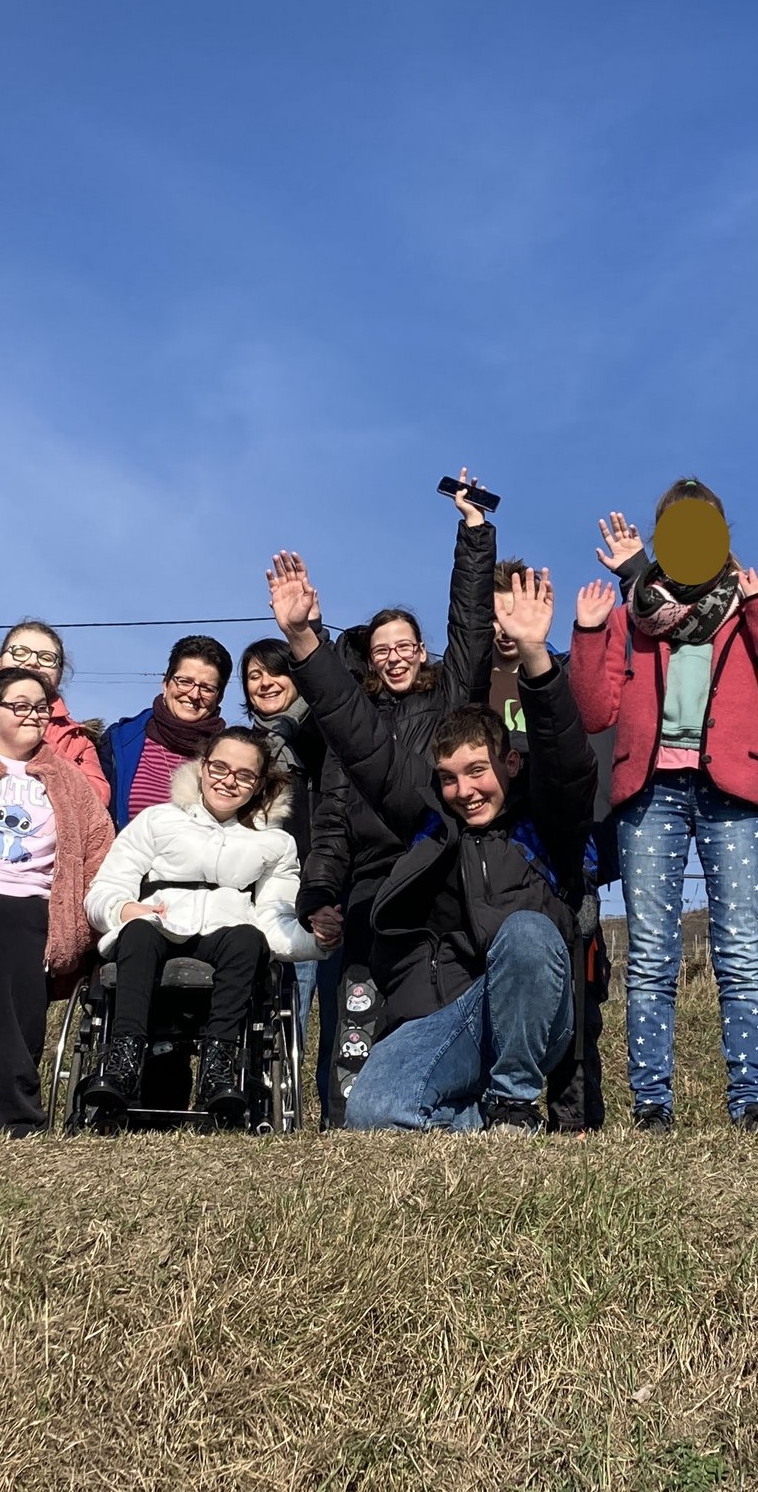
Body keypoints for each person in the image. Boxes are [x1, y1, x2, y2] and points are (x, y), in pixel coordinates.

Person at [270, 555, 596, 1132]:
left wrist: (535, 656)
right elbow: (361, 740)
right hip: (457, 1016)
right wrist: (302, 641)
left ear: (510, 765)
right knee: (371, 1111)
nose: (464, 791)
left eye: (478, 771)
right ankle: (481, 1120)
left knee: (525, 931)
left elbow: (567, 758)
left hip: (535, 1007)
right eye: (448, 777)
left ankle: (514, 1104)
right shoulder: (434, 824)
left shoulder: (547, 823)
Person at [571, 479, 758, 1133]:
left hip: (734, 789)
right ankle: (651, 1105)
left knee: (741, 948)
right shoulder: (630, 613)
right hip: (649, 791)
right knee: (651, 952)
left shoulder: (749, 601)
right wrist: (589, 633)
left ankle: (751, 1102)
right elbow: (595, 711)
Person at [291, 478, 496, 1124]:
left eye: (405, 645)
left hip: (435, 871)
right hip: (368, 882)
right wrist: (319, 892)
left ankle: (442, 1111)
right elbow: (331, 817)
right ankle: (344, 1123)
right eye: (382, 650)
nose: (395, 657)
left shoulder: (450, 700)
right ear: (372, 662)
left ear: (422, 651)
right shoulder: (355, 726)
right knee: (355, 1011)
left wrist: (473, 535)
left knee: (431, 1004)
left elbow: (471, 626)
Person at [81, 726, 325, 1126]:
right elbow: (106, 887)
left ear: (259, 784)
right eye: (219, 768)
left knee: (249, 938)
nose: (228, 781)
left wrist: (318, 940)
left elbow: (273, 917)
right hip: (158, 923)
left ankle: (219, 1067)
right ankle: (123, 1061)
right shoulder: (157, 820)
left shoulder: (275, 843)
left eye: (244, 775)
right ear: (201, 767)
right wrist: (122, 909)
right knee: (139, 931)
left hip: (226, 934)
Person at [0, 667, 114, 1137]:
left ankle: (16, 1118)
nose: (33, 715)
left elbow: (98, 845)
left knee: (20, 1016)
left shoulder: (68, 780)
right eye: (21, 706)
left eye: (41, 708)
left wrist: (83, 919)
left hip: (31, 901)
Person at [490, 555, 618, 1133]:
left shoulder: (560, 675)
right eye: (497, 613)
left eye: (516, 611)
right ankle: (501, 1108)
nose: (506, 625)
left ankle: (576, 1120)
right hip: (497, 858)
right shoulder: (467, 681)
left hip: (567, 857)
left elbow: (588, 755)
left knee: (578, 985)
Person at [239, 637, 344, 1108]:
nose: (265, 683)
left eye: (275, 671)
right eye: (253, 676)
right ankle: (275, 1105)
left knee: (340, 1006)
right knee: (282, 1000)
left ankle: (336, 1108)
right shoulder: (244, 750)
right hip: (272, 894)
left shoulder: (327, 734)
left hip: (329, 885)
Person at [0, 620, 110, 808]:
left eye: (47, 658)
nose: (32, 662)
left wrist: (42, 742)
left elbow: (96, 801)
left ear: (59, 674)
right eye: (20, 652)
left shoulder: (76, 740)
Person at [98, 635, 233, 830]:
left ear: (219, 697)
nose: (194, 694)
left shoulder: (230, 757)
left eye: (207, 688)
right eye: (184, 681)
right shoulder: (119, 740)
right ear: (166, 683)